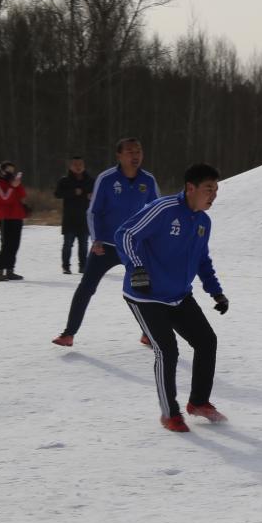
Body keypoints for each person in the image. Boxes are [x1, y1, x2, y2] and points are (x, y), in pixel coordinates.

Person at [117, 163, 230, 432]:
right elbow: (126, 234)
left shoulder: (203, 222)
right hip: (145, 296)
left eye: (216, 189)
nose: (213, 195)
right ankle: (170, 414)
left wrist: (216, 291)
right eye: (208, 189)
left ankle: (199, 403)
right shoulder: (164, 209)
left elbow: (202, 260)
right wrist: (137, 268)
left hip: (179, 296)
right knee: (167, 350)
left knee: (206, 341)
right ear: (190, 188)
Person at [52, 138, 159, 348]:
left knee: (145, 290)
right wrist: (96, 239)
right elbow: (92, 212)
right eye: (129, 151)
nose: (135, 155)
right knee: (86, 288)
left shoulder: (148, 180)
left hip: (134, 247)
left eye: (138, 151)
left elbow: (156, 212)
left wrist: (154, 241)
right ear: (119, 155)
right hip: (106, 246)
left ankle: (148, 333)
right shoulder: (107, 178)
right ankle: (68, 334)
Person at [0, 160, 28, 282]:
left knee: (15, 244)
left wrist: (17, 184)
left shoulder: (11, 181)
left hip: (17, 215)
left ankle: (10, 270)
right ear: (1, 170)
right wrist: (12, 186)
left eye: (12, 171)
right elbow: (4, 198)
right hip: (5, 216)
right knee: (6, 244)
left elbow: (22, 194)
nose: (10, 173)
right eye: (8, 171)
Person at [54, 156, 93, 275]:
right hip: (69, 218)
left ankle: (83, 266)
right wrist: (72, 192)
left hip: (85, 217)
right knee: (67, 244)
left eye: (80, 164)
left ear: (84, 166)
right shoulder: (64, 180)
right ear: (70, 166)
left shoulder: (90, 180)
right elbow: (57, 194)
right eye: (75, 164)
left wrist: (92, 196)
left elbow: (99, 194)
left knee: (84, 244)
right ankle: (66, 266)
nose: (78, 167)